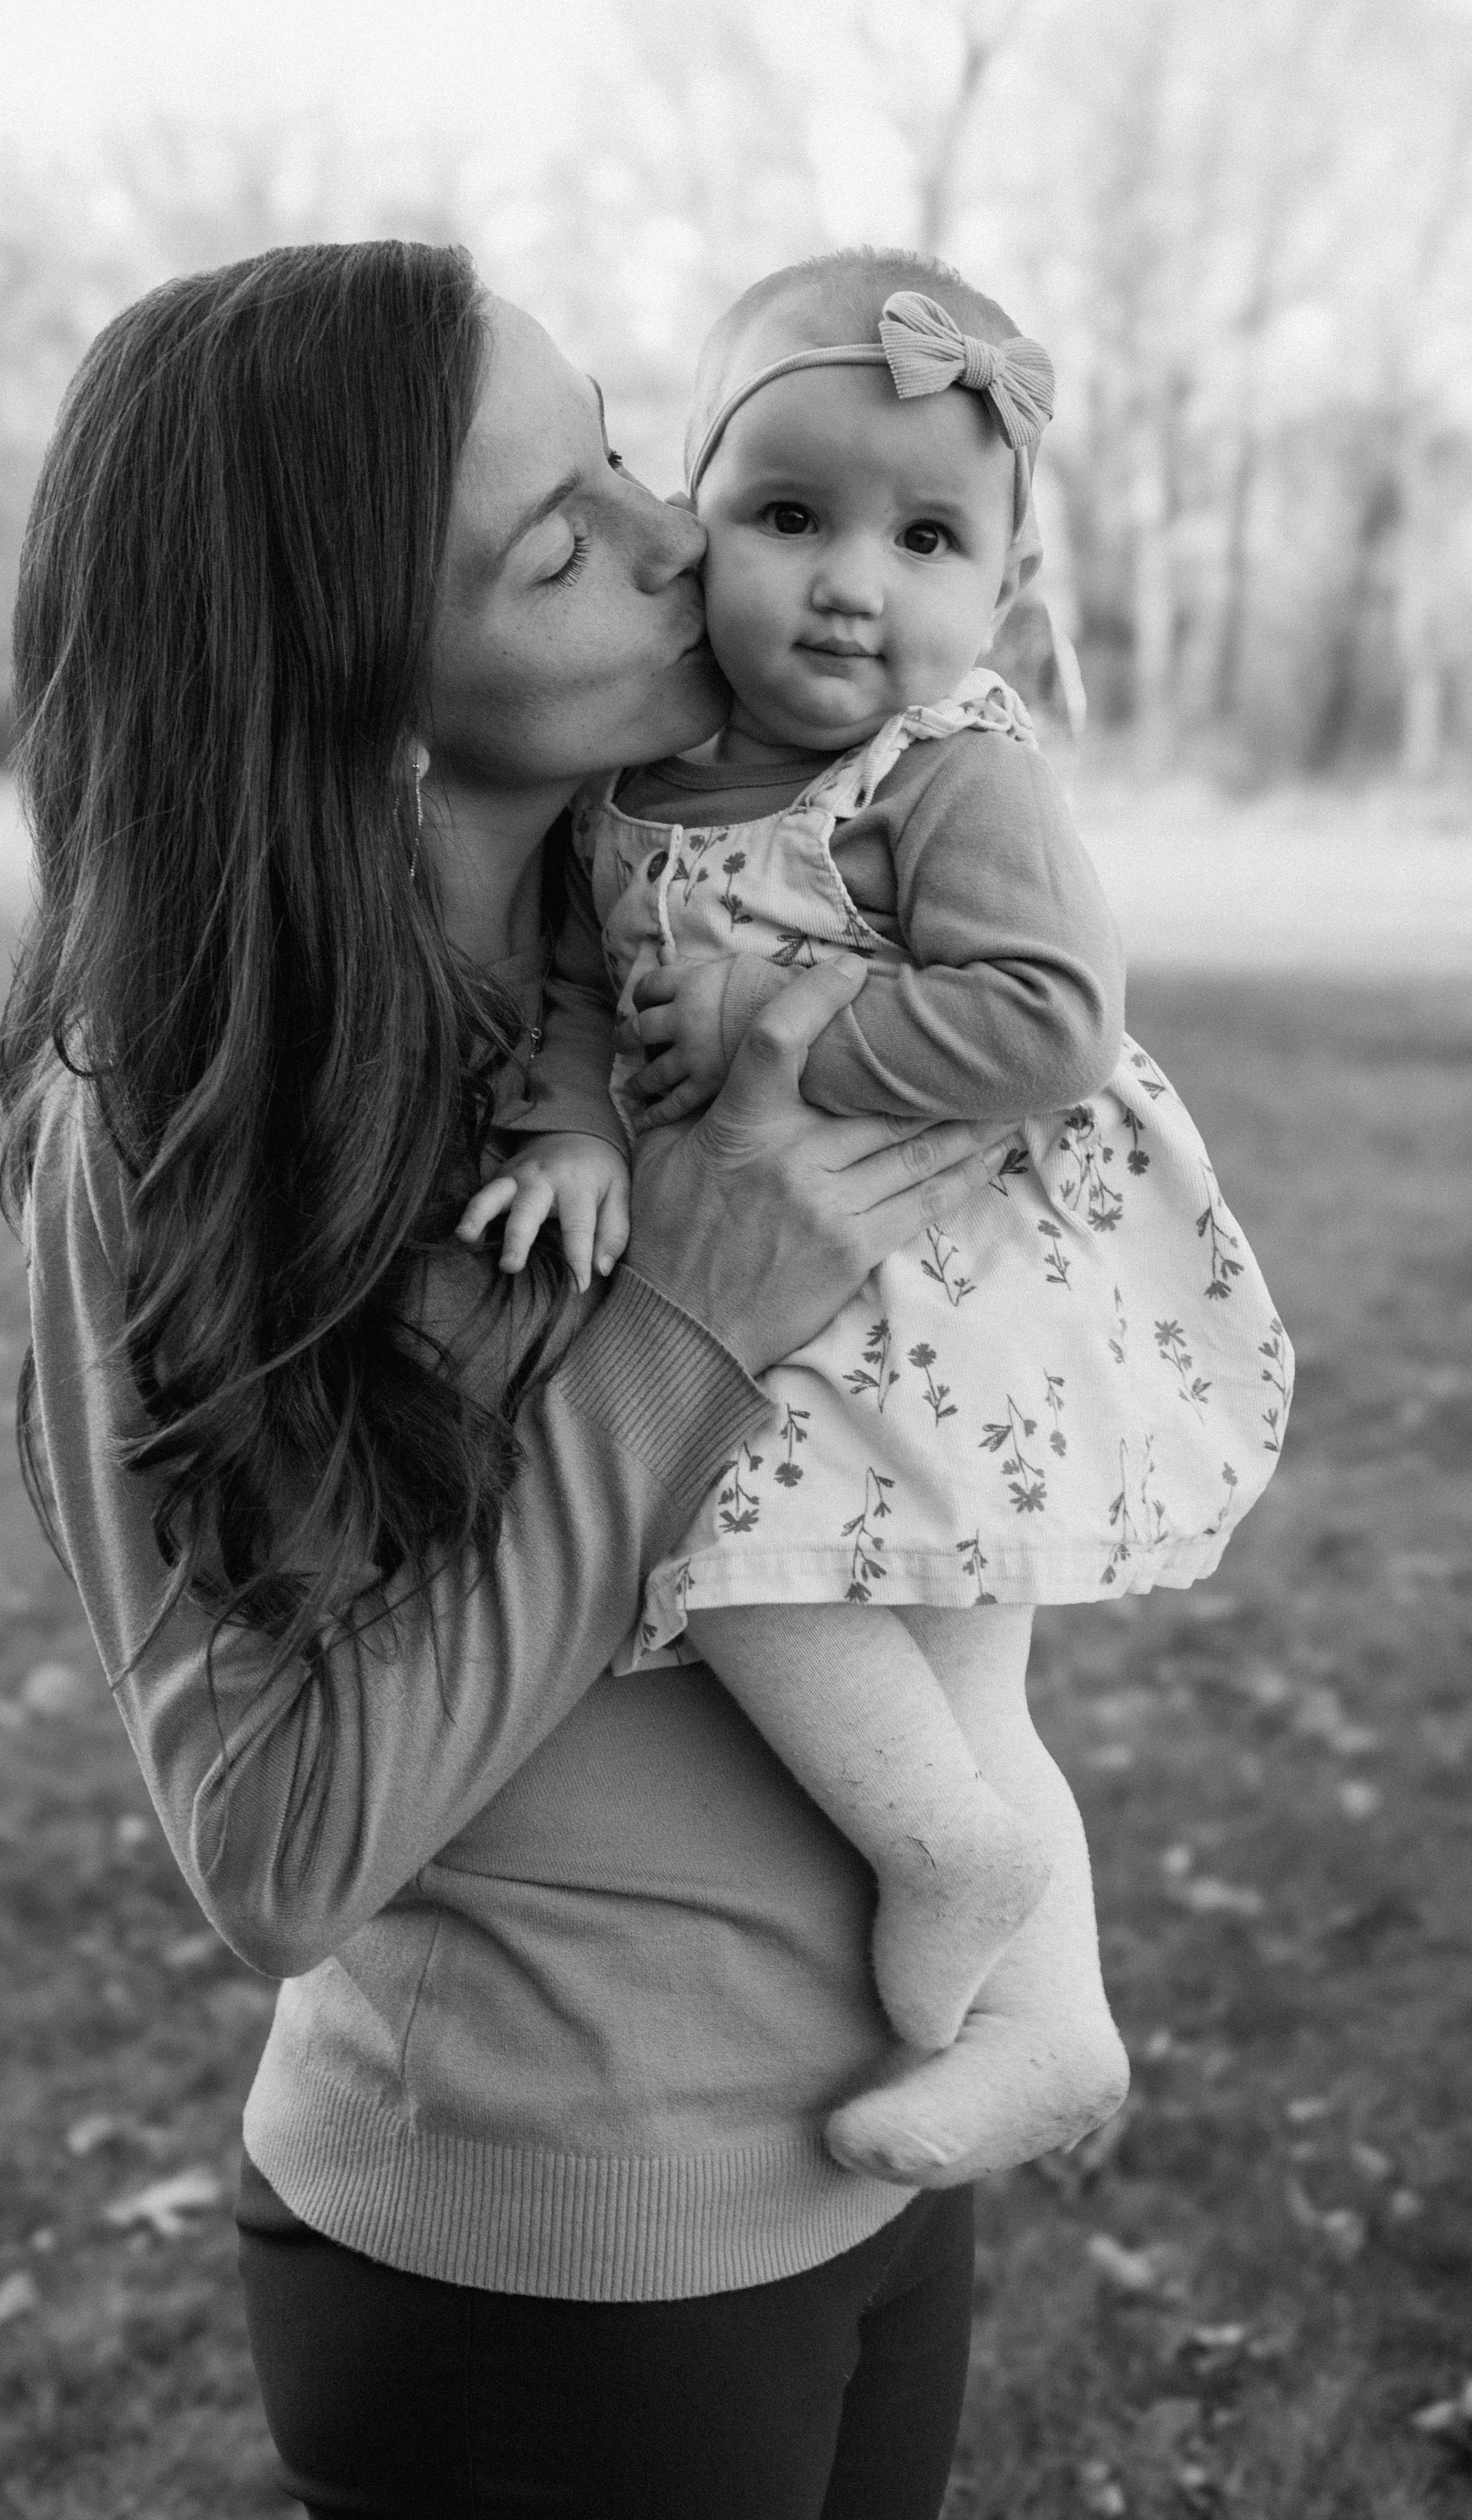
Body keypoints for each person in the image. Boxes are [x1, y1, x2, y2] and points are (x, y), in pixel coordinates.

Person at [0, 239, 1029, 2520]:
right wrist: (682, 1320)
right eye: (562, 539)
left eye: (624, 458)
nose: (685, 538)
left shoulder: (686, 924)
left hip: (881, 2146)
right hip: (549, 2277)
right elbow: (274, 1849)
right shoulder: (172, 1125)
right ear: (360, 690)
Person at [466, 248, 1293, 2185]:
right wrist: (574, 1128)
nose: (852, 579)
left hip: (943, 1275)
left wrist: (799, 1024)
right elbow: (583, 987)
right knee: (953, 1671)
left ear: (997, 594)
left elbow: (1048, 1014)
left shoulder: (945, 772)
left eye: (927, 538)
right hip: (793, 1260)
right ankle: (1052, 2030)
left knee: (745, 1550)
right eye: (786, 516)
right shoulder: (635, 777)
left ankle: (951, 1856)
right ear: (692, 529)